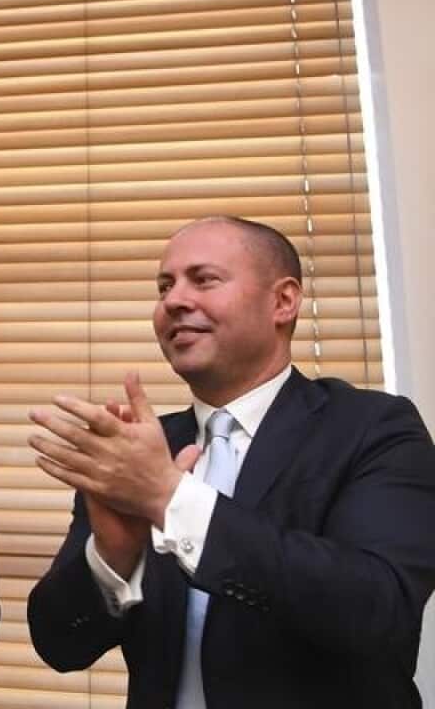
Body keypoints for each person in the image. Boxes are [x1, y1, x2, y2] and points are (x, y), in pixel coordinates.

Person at [26, 215, 435, 707]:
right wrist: (113, 559)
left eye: (204, 280)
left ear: (283, 301)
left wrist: (173, 501)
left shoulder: (374, 428)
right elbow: (60, 644)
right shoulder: (139, 449)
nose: (174, 301)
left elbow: (380, 611)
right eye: (164, 287)